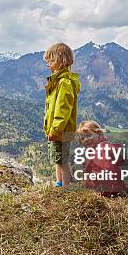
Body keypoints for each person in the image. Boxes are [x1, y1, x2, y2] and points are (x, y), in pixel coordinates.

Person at [43, 42, 81, 187]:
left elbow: (63, 110)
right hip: (59, 129)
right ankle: (59, 183)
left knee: (62, 160)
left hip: (61, 130)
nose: (48, 64)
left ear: (60, 61)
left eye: (51, 61)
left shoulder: (64, 83)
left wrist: (55, 129)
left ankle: (65, 187)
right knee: (57, 158)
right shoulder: (58, 81)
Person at [76, 121, 126, 197]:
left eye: (89, 135)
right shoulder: (101, 148)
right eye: (82, 138)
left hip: (104, 189)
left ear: (99, 134)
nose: (86, 139)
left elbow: (107, 171)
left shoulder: (100, 150)